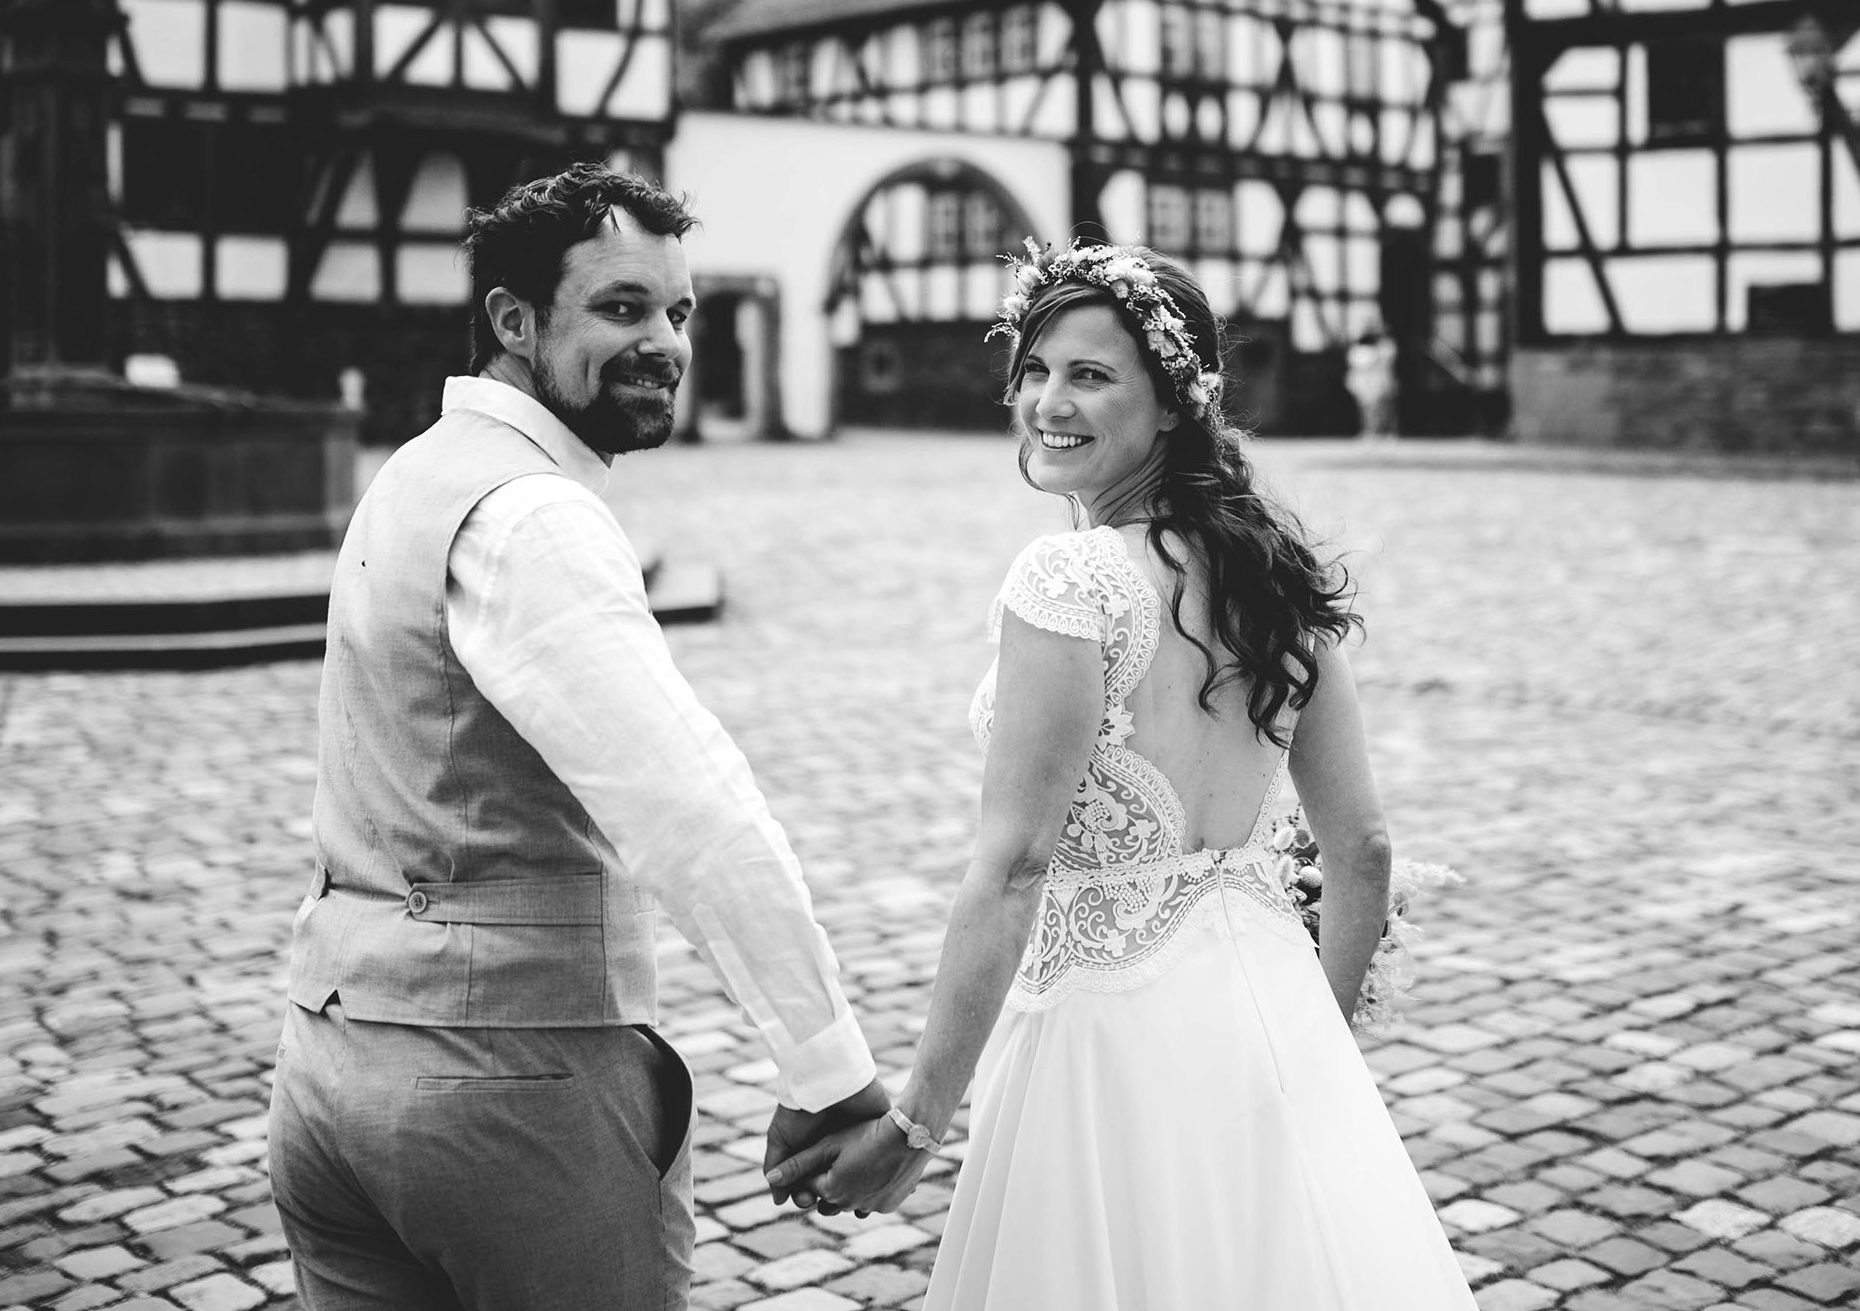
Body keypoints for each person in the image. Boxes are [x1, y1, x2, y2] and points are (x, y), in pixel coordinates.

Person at [770, 241, 1476, 1309]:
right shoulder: (1275, 567)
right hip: (1271, 1019)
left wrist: (915, 1123)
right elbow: (1362, 849)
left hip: (1105, 1042)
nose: (1047, 400)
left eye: (1090, 374)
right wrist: (1316, 1053)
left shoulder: (1070, 576)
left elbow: (1011, 868)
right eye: (1036, 368)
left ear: (1173, 405)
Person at [269, 164, 886, 1311]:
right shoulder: (534, 514)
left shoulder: (411, 475)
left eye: (679, 311)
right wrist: (831, 1071)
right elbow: (692, 814)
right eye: (620, 307)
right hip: (508, 1090)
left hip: (329, 1071)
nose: (665, 341)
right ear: (514, 321)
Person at [1346, 325, 1400, 438]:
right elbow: (1356, 366)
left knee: (1384, 407)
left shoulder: (1386, 347)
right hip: (1365, 384)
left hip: (1381, 380)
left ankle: (1387, 431)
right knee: (1367, 409)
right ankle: (1370, 431)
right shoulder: (1358, 350)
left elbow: (1387, 360)